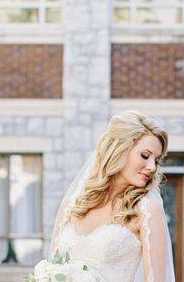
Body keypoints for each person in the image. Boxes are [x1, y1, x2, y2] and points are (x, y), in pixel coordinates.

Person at [48, 110, 175, 282]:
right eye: (145, 156)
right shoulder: (72, 205)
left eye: (157, 160)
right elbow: (53, 268)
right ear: (119, 150)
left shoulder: (146, 209)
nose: (152, 167)